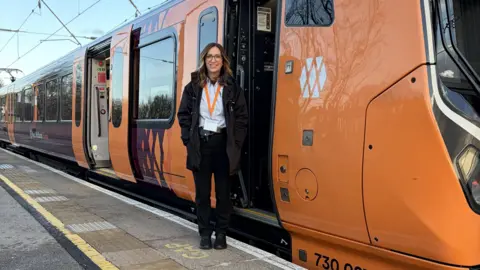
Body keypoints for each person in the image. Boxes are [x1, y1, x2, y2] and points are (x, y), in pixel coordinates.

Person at [177, 43, 248, 250]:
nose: (213, 60)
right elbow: (183, 115)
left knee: (224, 194)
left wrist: (236, 143)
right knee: (202, 194)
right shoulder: (193, 87)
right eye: (209, 56)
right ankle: (205, 233)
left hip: (224, 144)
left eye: (217, 56)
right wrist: (188, 141)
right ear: (204, 60)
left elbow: (242, 118)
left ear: (223, 60)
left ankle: (222, 233)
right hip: (201, 144)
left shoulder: (232, 87)